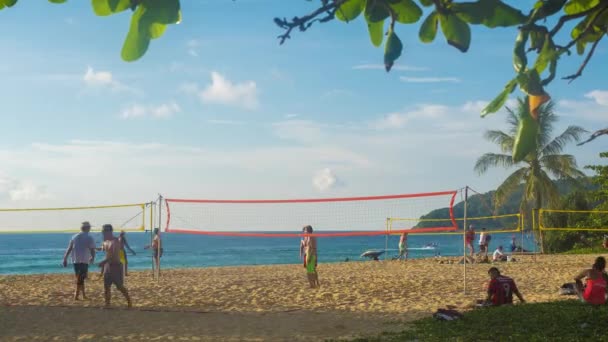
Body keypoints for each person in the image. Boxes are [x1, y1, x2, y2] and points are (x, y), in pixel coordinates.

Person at [99, 224, 132, 308]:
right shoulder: (105, 241)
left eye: (105, 230)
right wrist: (92, 250)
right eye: (103, 230)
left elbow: (113, 255)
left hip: (116, 266)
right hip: (108, 266)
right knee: (106, 287)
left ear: (110, 231)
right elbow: (103, 249)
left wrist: (104, 261)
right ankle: (107, 304)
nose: (103, 232)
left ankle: (129, 301)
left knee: (119, 286)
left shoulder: (115, 241)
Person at [62, 221, 96, 300]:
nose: (90, 229)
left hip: (75, 260)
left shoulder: (74, 236)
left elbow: (69, 248)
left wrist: (65, 258)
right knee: (80, 278)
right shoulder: (89, 237)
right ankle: (76, 295)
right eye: (89, 227)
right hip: (84, 260)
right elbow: (92, 249)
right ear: (87, 228)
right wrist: (93, 257)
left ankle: (83, 295)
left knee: (80, 278)